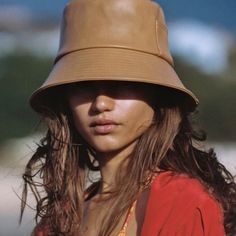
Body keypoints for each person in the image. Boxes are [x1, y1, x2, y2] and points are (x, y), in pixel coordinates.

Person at [21, 0, 236, 235]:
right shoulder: (54, 223)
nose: (101, 104)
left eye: (122, 84)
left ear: (158, 97)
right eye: (83, 86)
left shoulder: (184, 203)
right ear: (66, 102)